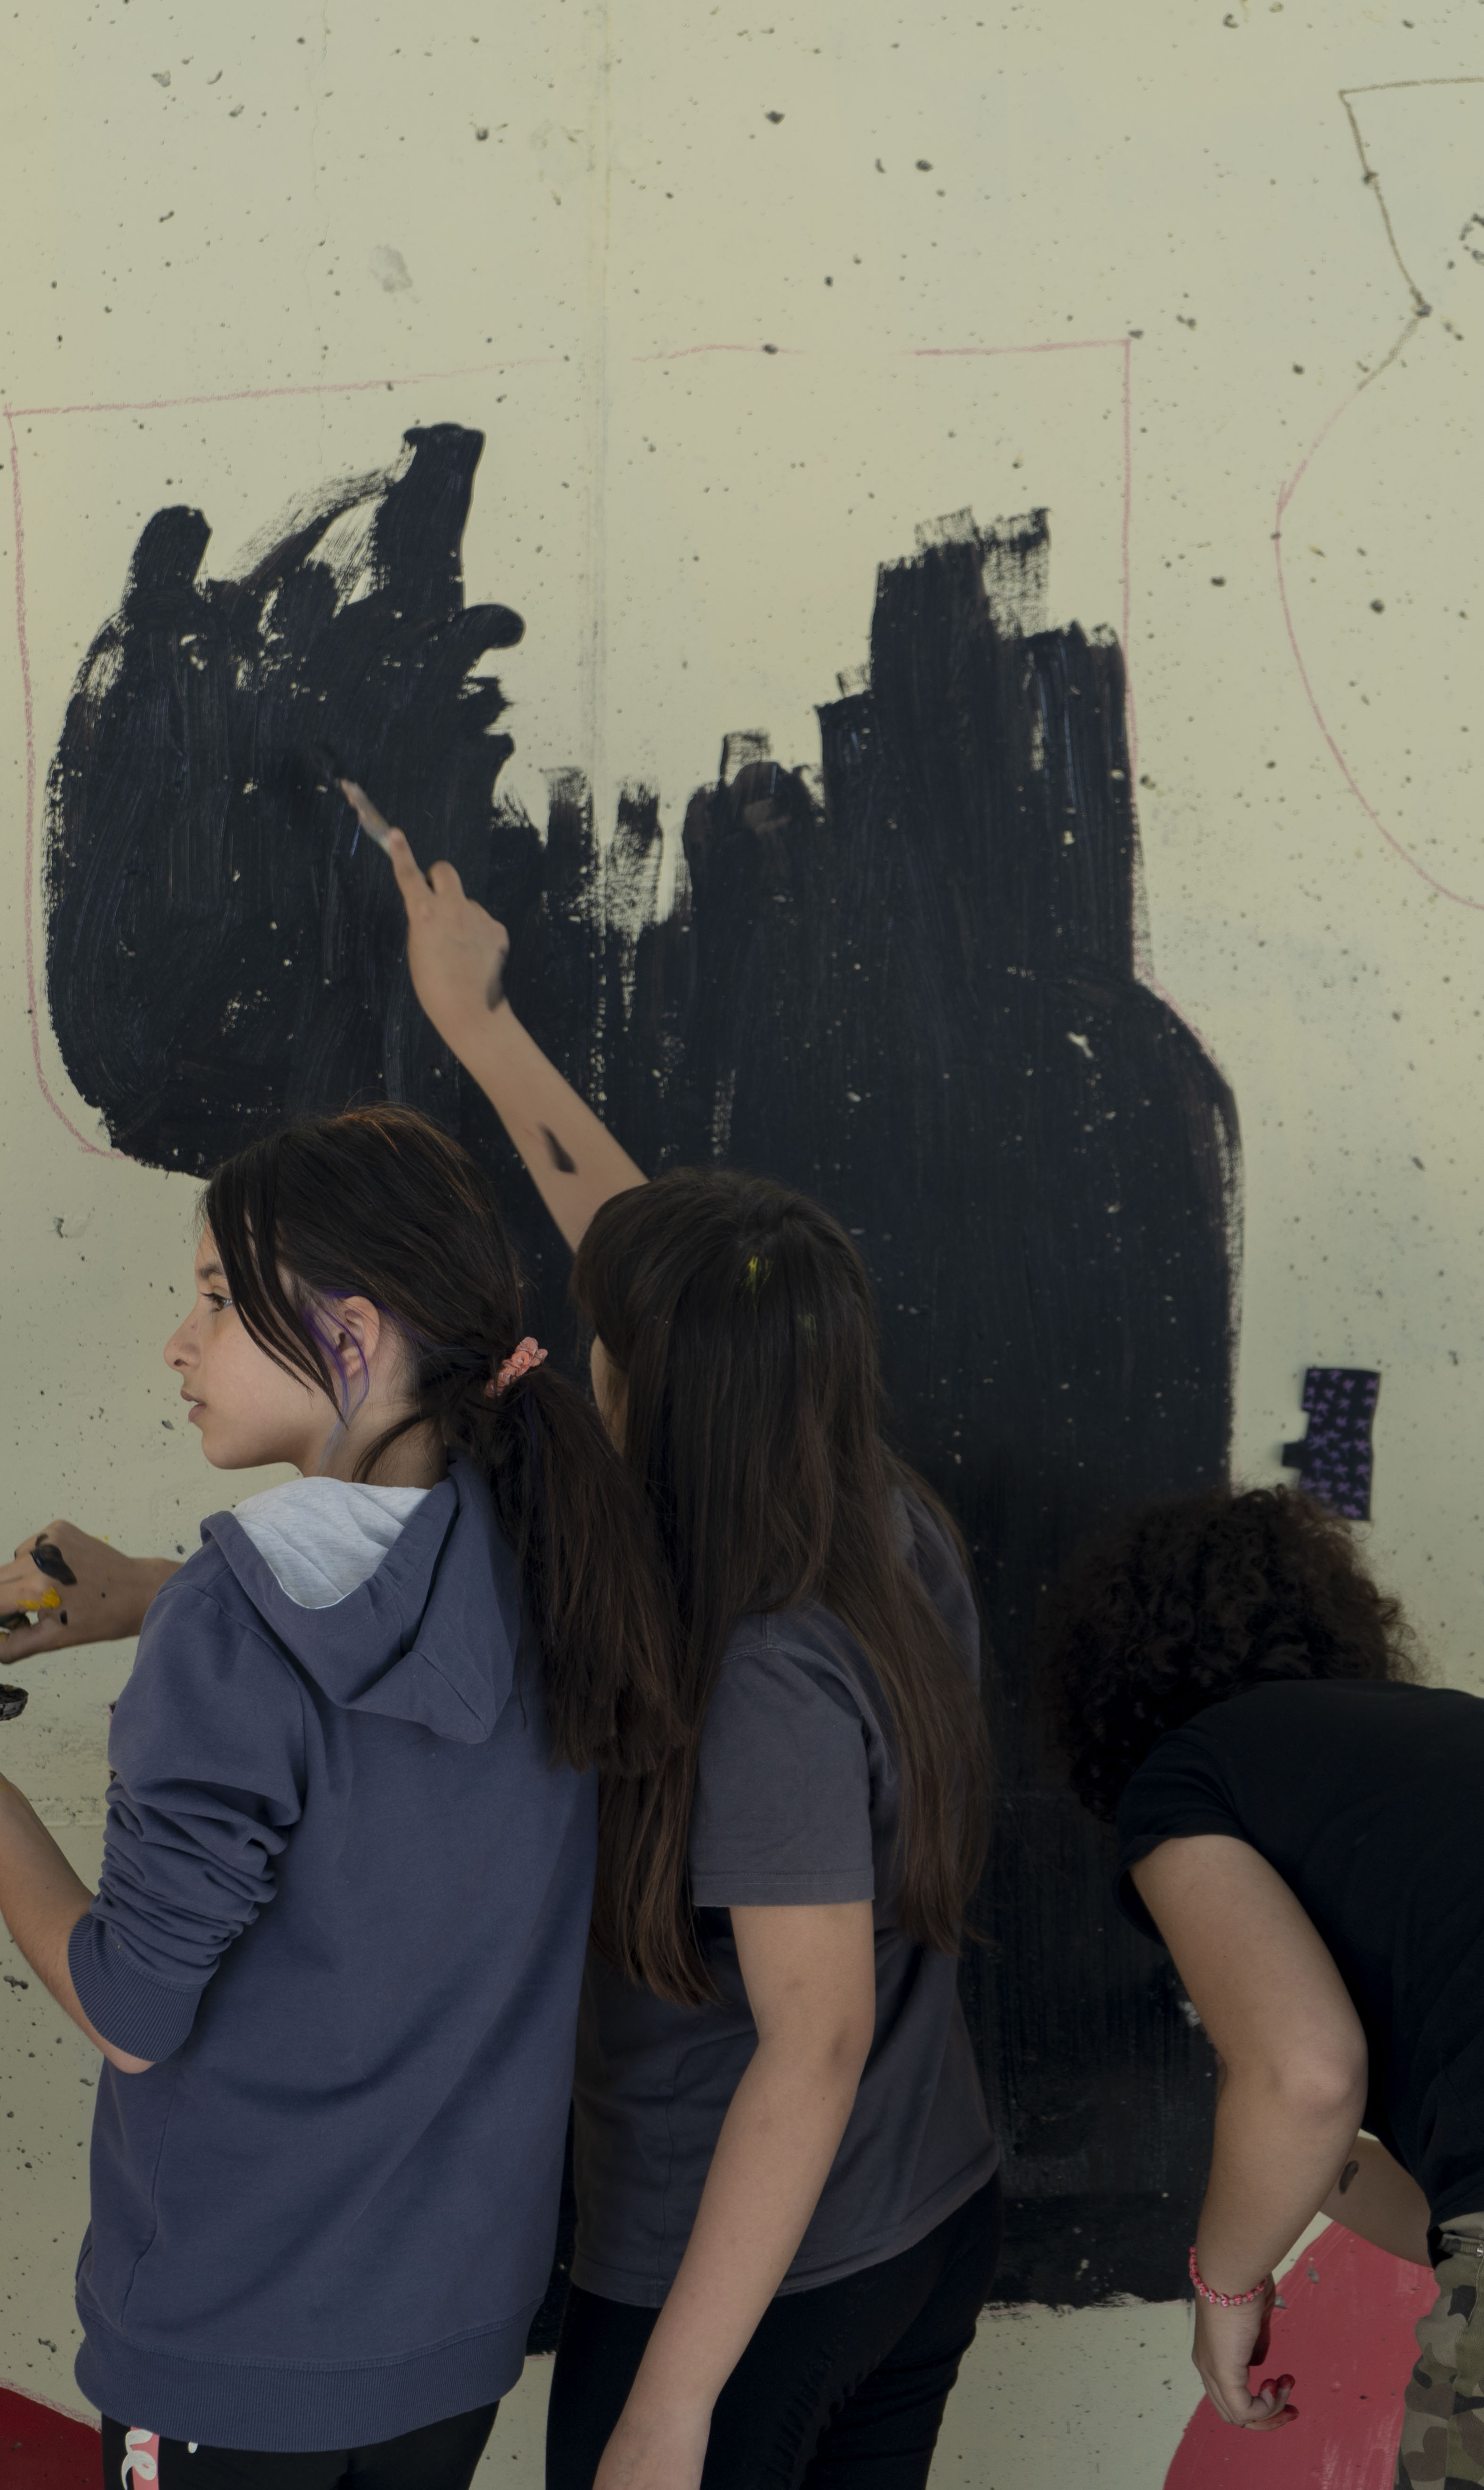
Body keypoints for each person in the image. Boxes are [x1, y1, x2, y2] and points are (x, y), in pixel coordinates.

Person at [0, 1104, 677, 2490]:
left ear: (349, 1336)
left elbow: (133, 2012)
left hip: (235, 2341)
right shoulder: (544, 1546)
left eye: (217, 1299)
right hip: (453, 2335)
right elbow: (377, 1664)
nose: (180, 1341)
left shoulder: (229, 1623)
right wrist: (142, 1596)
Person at [381, 830, 1002, 2490]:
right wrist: (482, 1027)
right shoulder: (870, 1510)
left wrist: (670, 2407)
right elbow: (674, 1265)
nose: (588, 1349)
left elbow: (814, 2039)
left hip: (756, 2284)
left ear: (659, 1385)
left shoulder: (758, 1676)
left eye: (608, 1340)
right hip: (918, 2212)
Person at [1043, 1482, 1484, 2482]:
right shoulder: (1445, 1743)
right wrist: (1290, 2157)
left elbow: (1305, 2074)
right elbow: (1442, 2215)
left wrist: (1228, 2290)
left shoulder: (1190, 1776)